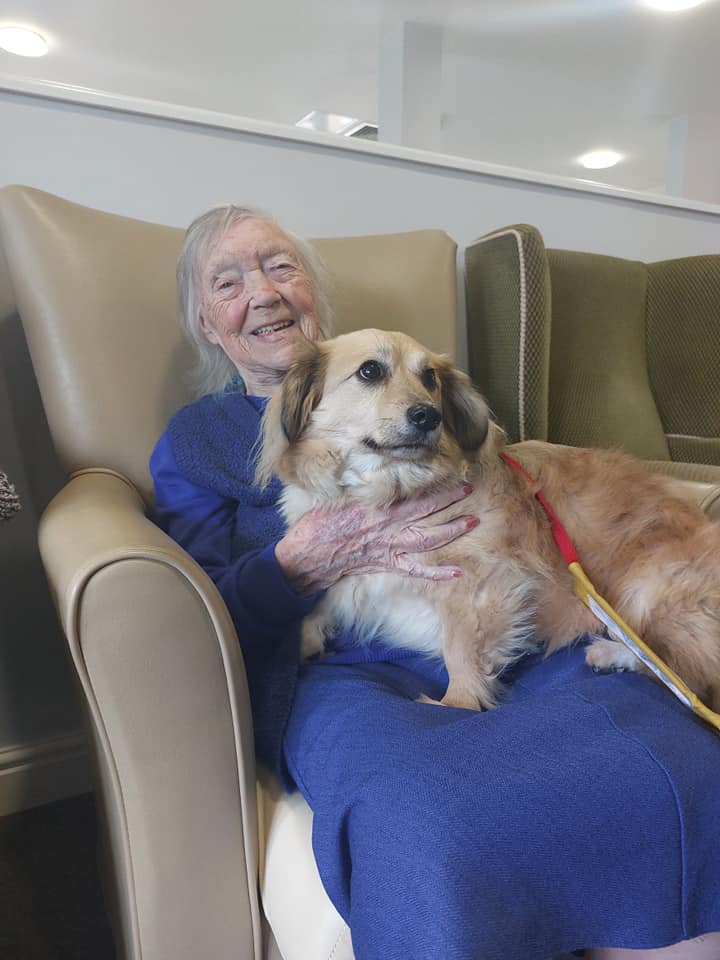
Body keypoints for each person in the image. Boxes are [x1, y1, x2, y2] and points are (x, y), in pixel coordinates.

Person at [150, 204, 720, 960]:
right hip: (344, 670)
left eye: (281, 267)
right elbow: (196, 607)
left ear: (314, 297)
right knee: (434, 822)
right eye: (229, 280)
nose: (263, 291)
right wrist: (296, 564)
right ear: (206, 319)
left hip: (515, 642)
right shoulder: (195, 441)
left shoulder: (413, 405)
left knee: (679, 760)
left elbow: (500, 494)